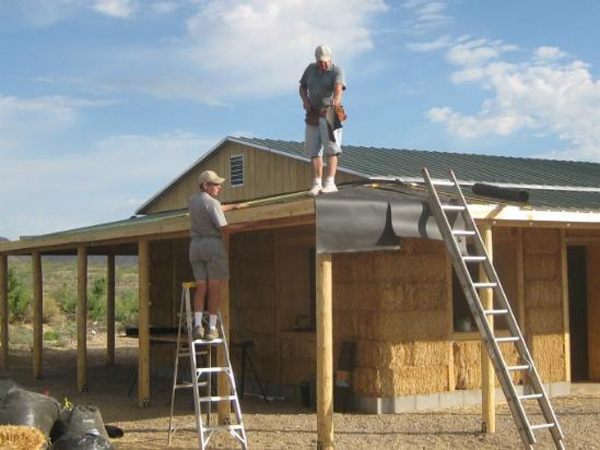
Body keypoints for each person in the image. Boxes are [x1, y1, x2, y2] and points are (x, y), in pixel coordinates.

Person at [188, 170, 236, 340]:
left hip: (195, 246)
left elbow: (212, 208)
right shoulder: (213, 203)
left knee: (202, 287)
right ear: (206, 185)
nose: (219, 187)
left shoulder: (193, 201)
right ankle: (212, 328)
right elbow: (224, 228)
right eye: (215, 184)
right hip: (212, 245)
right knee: (215, 287)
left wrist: (232, 206)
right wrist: (249, 226)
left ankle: (198, 326)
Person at [299, 44, 347, 196]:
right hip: (313, 112)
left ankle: (330, 182)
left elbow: (338, 86)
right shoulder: (311, 69)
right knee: (314, 150)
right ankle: (316, 183)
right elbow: (302, 87)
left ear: (330, 59)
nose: (323, 64)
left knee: (332, 149)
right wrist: (305, 101)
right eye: (321, 61)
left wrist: (336, 99)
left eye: (326, 61)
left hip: (330, 111)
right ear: (316, 60)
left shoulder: (337, 70)